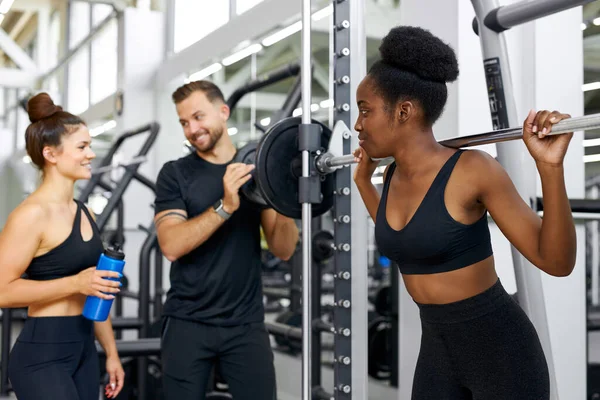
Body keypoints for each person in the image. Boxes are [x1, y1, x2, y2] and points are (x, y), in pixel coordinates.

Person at [352, 26, 576, 400]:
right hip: (437, 350)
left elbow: (556, 261)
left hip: (501, 352)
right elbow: (406, 239)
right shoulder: (390, 175)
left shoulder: (473, 169)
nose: (358, 125)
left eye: (365, 111)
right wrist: (363, 182)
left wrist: (550, 169)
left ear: (404, 111)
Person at [154, 80, 299, 400]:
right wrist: (225, 206)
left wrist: (285, 194)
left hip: (245, 325)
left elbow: (284, 249)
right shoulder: (175, 174)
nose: (192, 129)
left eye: (198, 116)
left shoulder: (256, 169)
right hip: (187, 322)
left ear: (223, 112)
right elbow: (171, 246)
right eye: (184, 122)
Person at [0, 93, 125, 399]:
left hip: (84, 349)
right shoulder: (30, 215)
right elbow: (2, 291)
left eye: (90, 146)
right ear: (51, 154)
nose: (91, 154)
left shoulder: (86, 213)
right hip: (43, 355)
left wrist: (110, 352)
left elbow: (97, 288)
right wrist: (75, 283)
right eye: (82, 147)